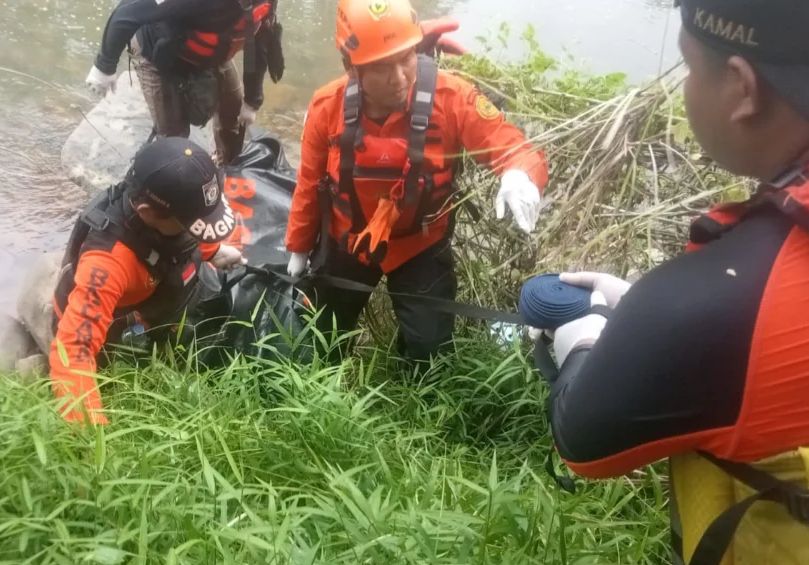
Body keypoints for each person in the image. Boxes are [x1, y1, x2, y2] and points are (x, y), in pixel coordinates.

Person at [535, 1, 809, 565]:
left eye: (690, 68)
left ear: (742, 87)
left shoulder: (719, 305)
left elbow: (582, 438)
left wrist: (585, 339)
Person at [283, 0, 548, 366]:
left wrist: (518, 173)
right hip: (348, 240)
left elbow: (512, 146)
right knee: (320, 337)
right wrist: (298, 247)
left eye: (406, 57)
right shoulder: (327, 106)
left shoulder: (451, 97)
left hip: (420, 244)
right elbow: (309, 182)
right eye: (381, 67)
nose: (401, 77)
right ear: (351, 67)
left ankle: (412, 382)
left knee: (430, 351)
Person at [51, 137, 247, 424]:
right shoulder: (107, 264)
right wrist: (92, 443)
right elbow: (74, 351)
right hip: (106, 322)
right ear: (148, 213)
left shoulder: (163, 213)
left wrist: (214, 250)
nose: (197, 232)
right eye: (192, 225)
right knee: (101, 375)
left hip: (151, 294)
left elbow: (182, 236)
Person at [85, 0, 283, 166]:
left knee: (234, 112)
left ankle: (227, 166)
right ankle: (174, 186)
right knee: (174, 138)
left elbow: (259, 42)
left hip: (214, 50)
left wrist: (252, 99)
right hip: (157, 52)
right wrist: (104, 66)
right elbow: (127, 12)